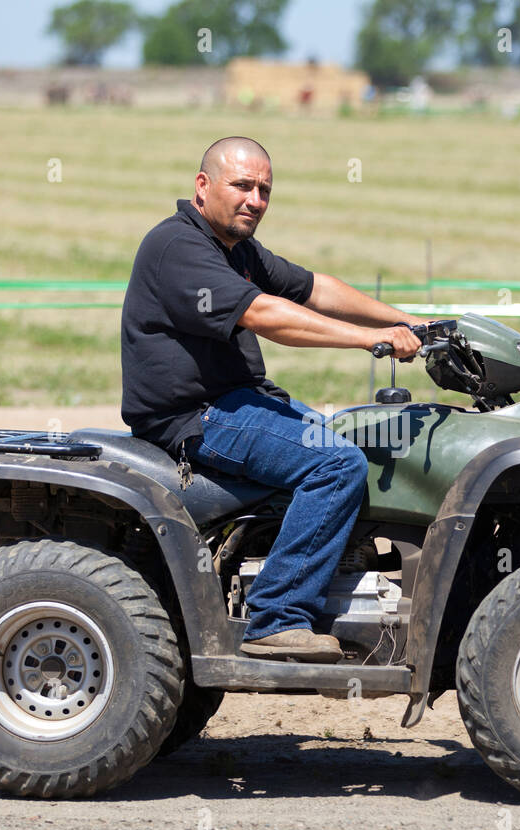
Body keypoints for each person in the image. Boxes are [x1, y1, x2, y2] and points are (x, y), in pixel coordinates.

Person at [121, 136, 421, 663]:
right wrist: (366, 339)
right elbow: (268, 316)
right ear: (203, 186)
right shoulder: (179, 248)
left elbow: (313, 289)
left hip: (239, 401)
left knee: (365, 443)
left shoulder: (238, 250)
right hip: (198, 416)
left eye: (264, 189)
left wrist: (407, 321)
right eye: (242, 185)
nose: (254, 199)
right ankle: (277, 618)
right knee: (335, 465)